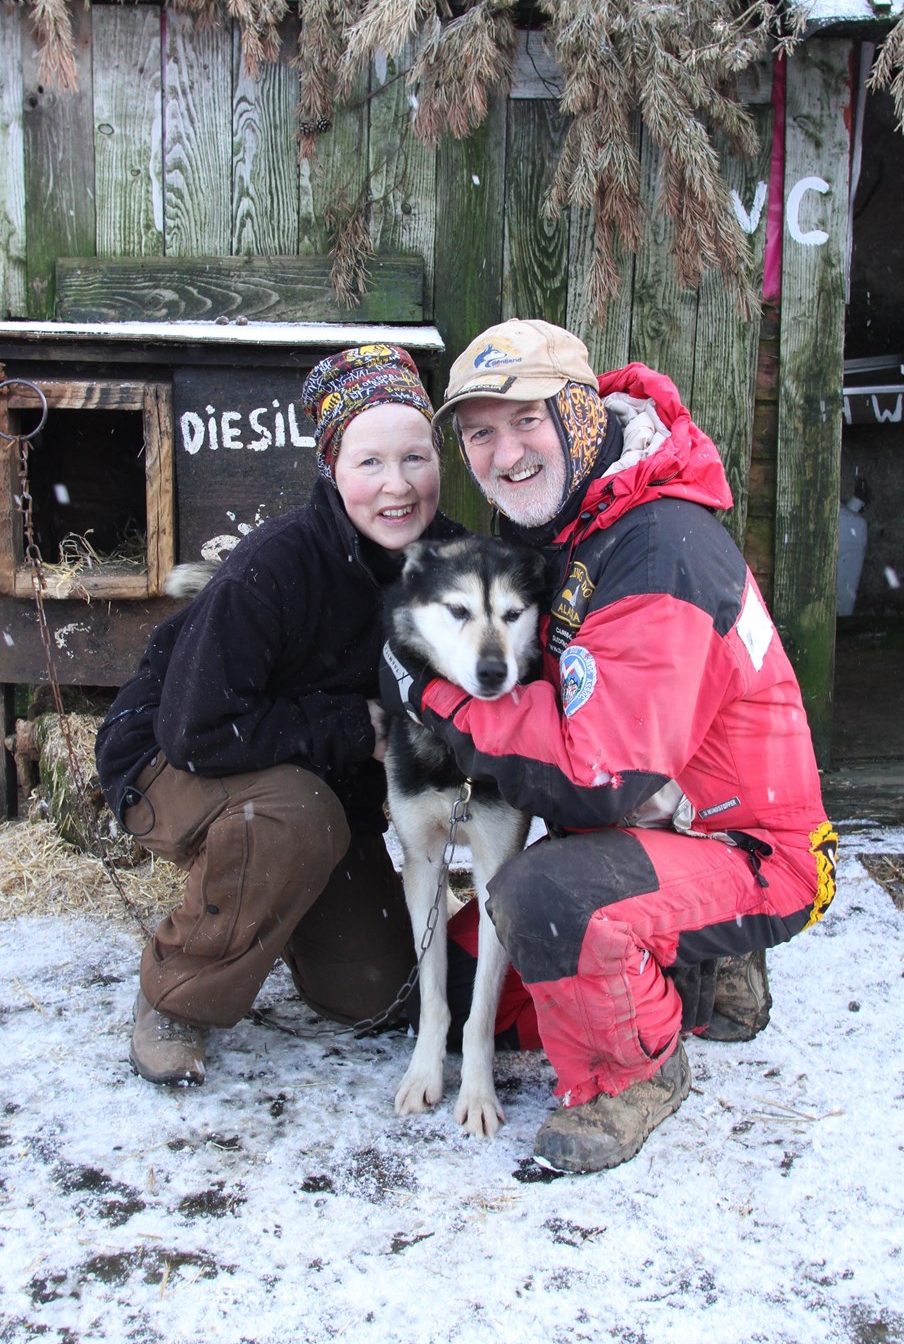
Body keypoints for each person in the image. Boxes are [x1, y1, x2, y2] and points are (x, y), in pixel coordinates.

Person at [380, 318, 838, 1173]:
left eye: (527, 421)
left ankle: (635, 1072)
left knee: (545, 900)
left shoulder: (656, 545)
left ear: (582, 416)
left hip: (751, 848)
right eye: (481, 432)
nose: (505, 452)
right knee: (470, 993)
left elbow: (600, 777)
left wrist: (437, 698)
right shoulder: (569, 524)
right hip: (673, 821)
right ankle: (712, 971)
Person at [96, 343, 461, 1085]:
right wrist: (360, 730)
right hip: (171, 760)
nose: (397, 486)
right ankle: (178, 997)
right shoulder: (276, 566)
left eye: (415, 458)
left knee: (374, 993)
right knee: (292, 819)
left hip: (318, 791)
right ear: (332, 467)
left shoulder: (453, 562)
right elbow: (195, 727)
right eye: (369, 463)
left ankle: (268, 906)